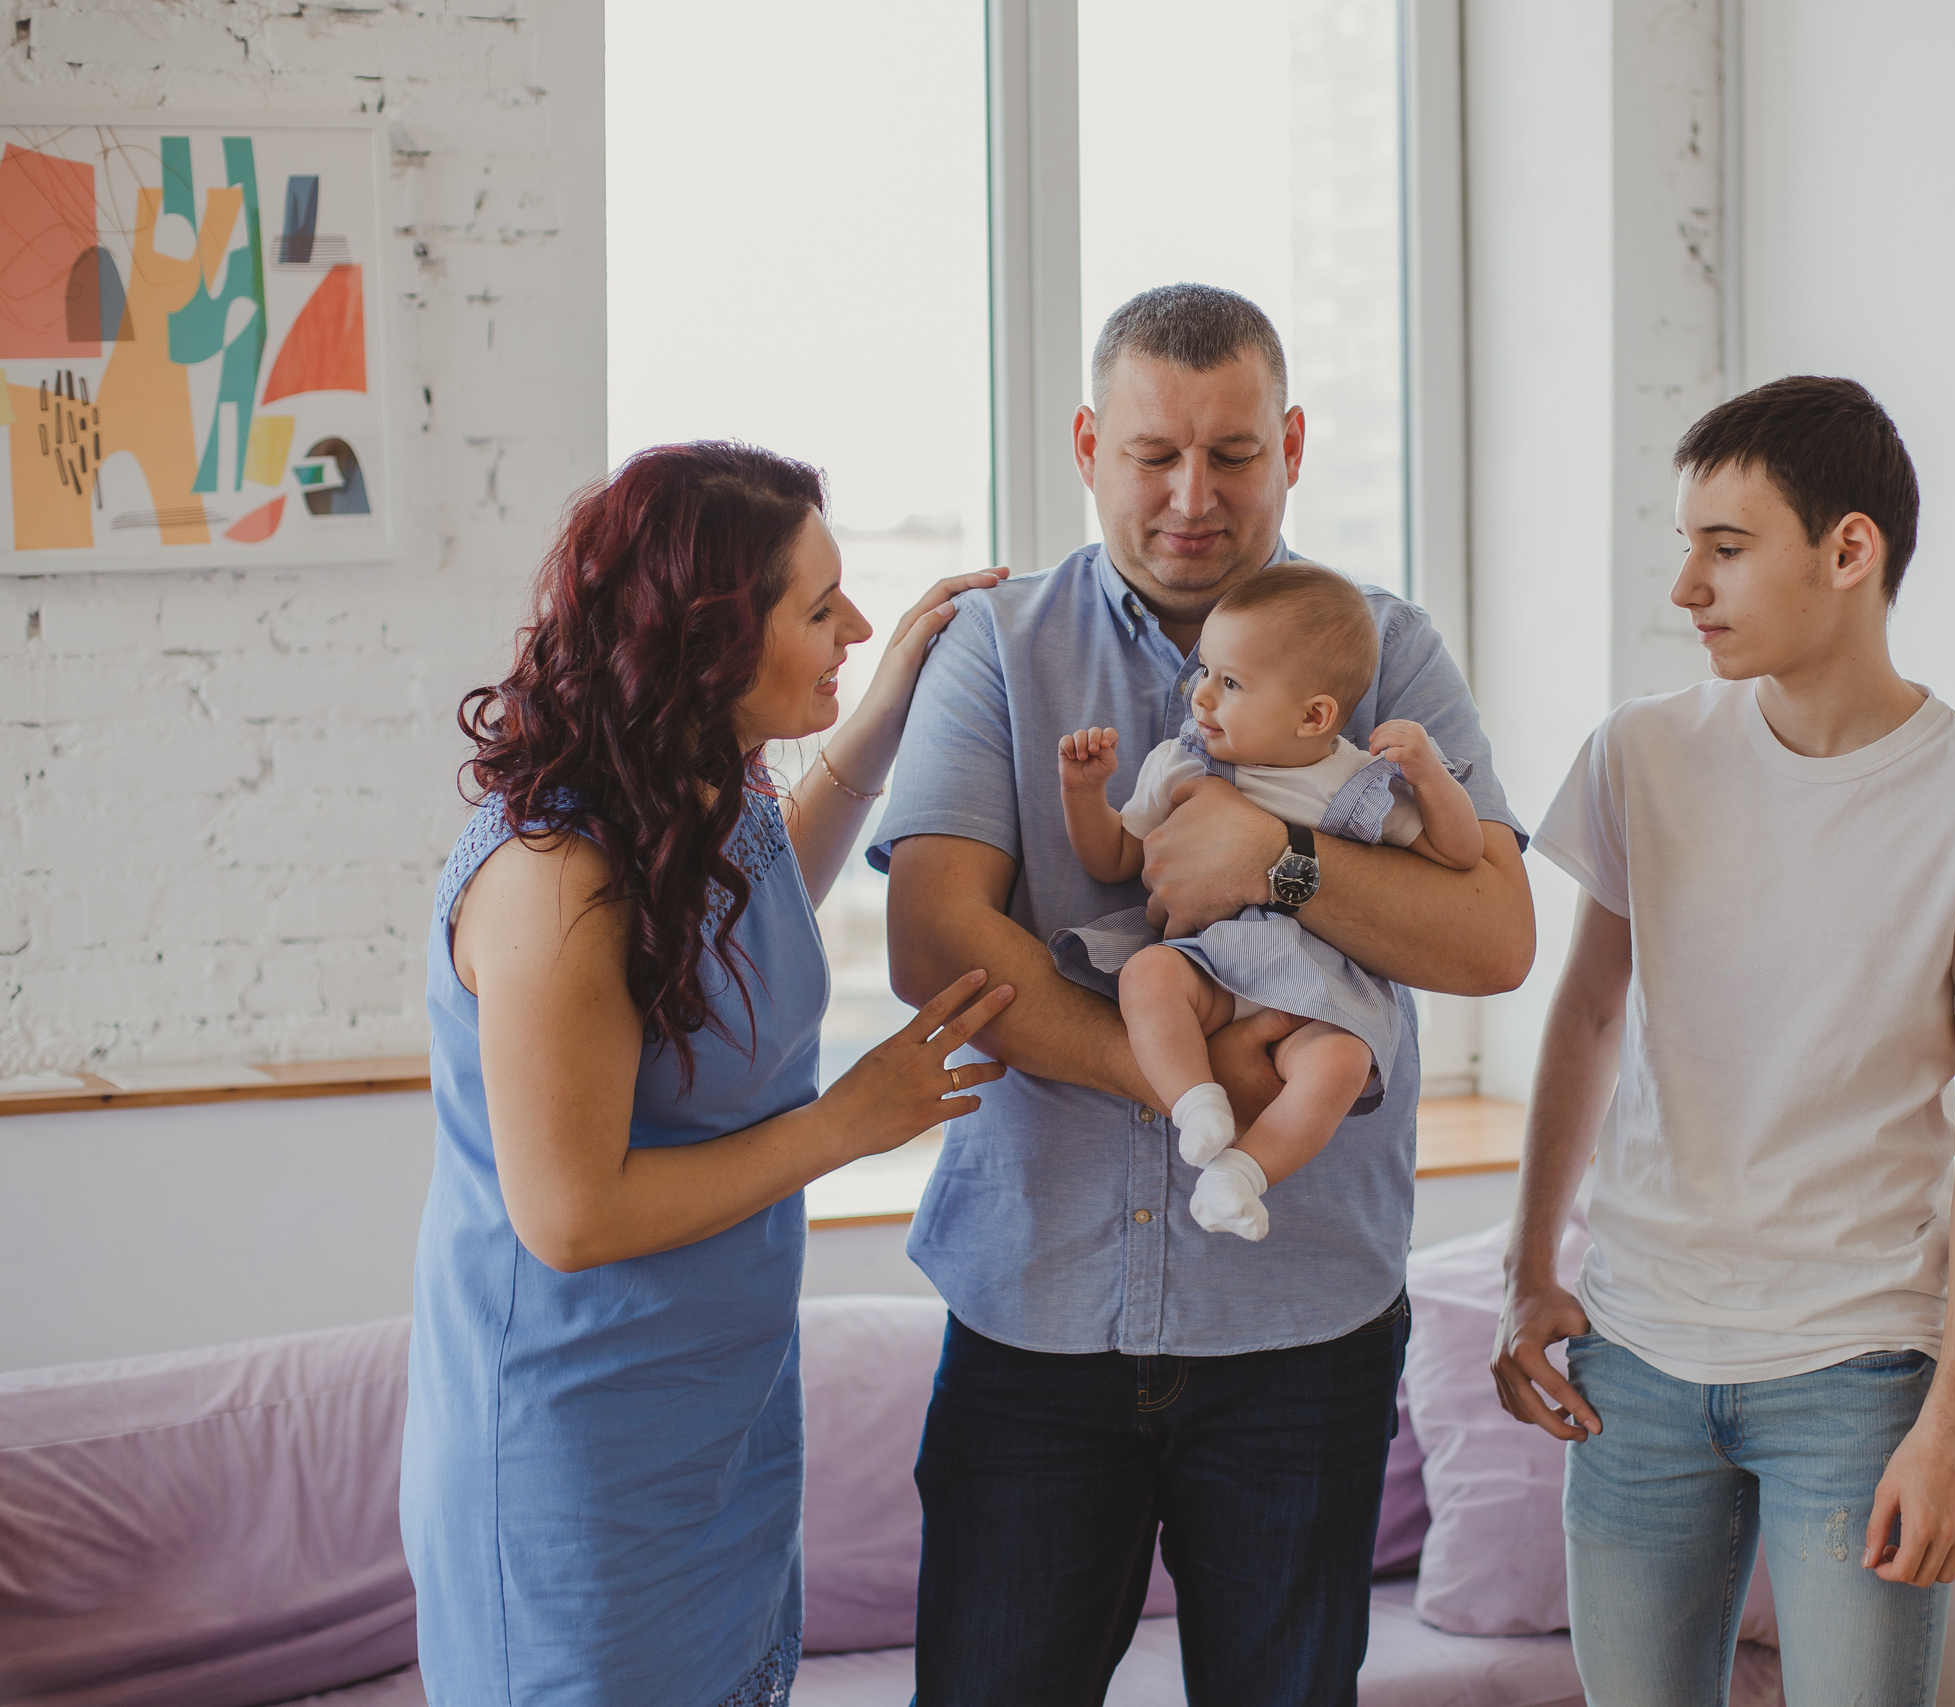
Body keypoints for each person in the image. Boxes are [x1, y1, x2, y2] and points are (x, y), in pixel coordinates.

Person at [873, 284, 1533, 1706]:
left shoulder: (1381, 649)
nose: (1191, 494)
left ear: (1290, 443)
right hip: (1034, 1313)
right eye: (1153, 452)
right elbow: (933, 946)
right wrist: (1197, 1087)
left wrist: (1275, 859)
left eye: (1233, 452)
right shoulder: (999, 648)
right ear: (1086, 445)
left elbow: (1492, 939)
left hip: (1304, 1327)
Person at [1490, 376, 1955, 1707]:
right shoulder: (1640, 751)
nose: (1686, 585)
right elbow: (1585, 1011)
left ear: (1849, 549)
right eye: (1684, 543)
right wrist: (1529, 1266)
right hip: (1634, 1356)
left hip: (1859, 1370)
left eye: (1726, 544)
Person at [401, 442, 1014, 1707]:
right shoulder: (555, 877)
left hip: (708, 1425)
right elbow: (570, 1218)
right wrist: (847, 1124)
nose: (853, 625)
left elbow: (754, 896)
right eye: (819, 609)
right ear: (708, 641)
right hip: (573, 1457)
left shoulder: (700, 794)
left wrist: (885, 705)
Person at [1053, 563, 1487, 1241]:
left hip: (1316, 986)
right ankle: (1196, 1103)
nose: (1201, 697)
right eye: (1205, 672)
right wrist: (1085, 795)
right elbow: (1113, 858)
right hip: (1215, 964)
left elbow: (1455, 853)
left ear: (1313, 714)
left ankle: (1243, 1176)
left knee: (1340, 1062)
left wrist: (1431, 777)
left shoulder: (1354, 781)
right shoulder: (1180, 762)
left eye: (1230, 683)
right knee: (1148, 974)